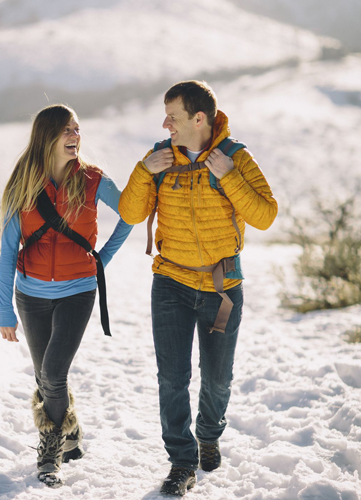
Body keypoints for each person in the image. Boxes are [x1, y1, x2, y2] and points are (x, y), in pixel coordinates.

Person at [118, 81, 278, 496]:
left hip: (222, 288)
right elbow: (131, 213)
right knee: (172, 378)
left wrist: (230, 179)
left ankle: (209, 435)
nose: (165, 123)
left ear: (198, 119)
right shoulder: (159, 158)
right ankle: (181, 462)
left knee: (218, 378)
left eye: (172, 115)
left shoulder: (236, 158)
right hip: (170, 282)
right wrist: (142, 172)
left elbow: (265, 216)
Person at [0, 104, 132, 488]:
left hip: (78, 291)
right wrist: (4, 308)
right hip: (30, 294)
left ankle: (51, 450)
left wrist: (100, 260)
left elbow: (130, 214)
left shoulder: (92, 179)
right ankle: (70, 432)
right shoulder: (21, 182)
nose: (75, 135)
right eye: (66, 130)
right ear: (47, 136)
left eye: (77, 129)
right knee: (45, 378)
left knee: (54, 372)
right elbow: (9, 249)